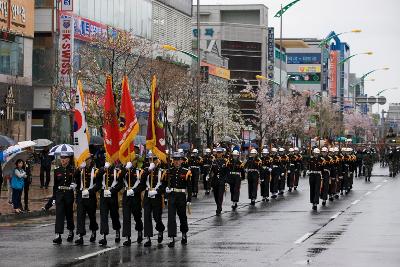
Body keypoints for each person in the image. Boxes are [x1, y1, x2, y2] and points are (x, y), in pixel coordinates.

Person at [163, 151, 192, 247]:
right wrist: (166, 194)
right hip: (172, 195)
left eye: (178, 160)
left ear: (181, 161)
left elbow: (189, 186)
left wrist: (189, 199)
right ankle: (172, 237)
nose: (176, 162)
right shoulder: (169, 171)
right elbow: (164, 184)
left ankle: (184, 233)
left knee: (182, 216)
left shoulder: (186, 171)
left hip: (181, 196)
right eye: (175, 160)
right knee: (171, 217)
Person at [140, 152, 165, 247]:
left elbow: (164, 185)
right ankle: (148, 237)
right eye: (150, 159)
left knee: (156, 217)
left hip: (156, 196)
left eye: (154, 159)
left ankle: (160, 229)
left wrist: (157, 191)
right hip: (147, 196)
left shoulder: (162, 171)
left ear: (157, 160)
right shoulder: (145, 171)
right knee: (146, 216)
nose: (152, 161)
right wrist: (148, 171)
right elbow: (142, 183)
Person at [96, 161, 123, 246]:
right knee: (103, 215)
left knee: (114, 215)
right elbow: (97, 177)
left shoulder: (116, 171)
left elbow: (120, 184)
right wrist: (104, 169)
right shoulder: (102, 170)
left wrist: (112, 191)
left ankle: (117, 230)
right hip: (104, 194)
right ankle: (104, 236)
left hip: (112, 195)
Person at [74, 156, 99, 245]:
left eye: (88, 159)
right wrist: (79, 168)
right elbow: (74, 176)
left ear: (91, 160)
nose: (86, 160)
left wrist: (90, 191)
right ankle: (80, 235)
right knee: (80, 215)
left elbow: (98, 184)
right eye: (85, 159)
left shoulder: (95, 170)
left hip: (90, 196)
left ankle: (93, 231)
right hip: (81, 195)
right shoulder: (80, 169)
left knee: (91, 215)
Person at [53, 153, 76, 244]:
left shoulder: (73, 169)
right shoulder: (57, 170)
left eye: (64, 158)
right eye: (61, 157)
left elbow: (76, 180)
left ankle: (71, 231)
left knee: (69, 214)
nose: (62, 159)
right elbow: (55, 185)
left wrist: (74, 184)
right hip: (59, 194)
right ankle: (58, 235)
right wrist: (54, 197)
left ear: (69, 159)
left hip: (69, 194)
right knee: (59, 214)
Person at [209, 147, 228, 215]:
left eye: (220, 153)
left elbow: (227, 171)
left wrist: (226, 180)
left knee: (220, 195)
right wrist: (208, 176)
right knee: (216, 195)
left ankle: (219, 208)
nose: (219, 154)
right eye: (218, 153)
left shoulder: (225, 161)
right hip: (215, 180)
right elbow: (210, 170)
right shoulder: (213, 161)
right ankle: (218, 205)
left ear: (222, 153)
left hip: (222, 180)